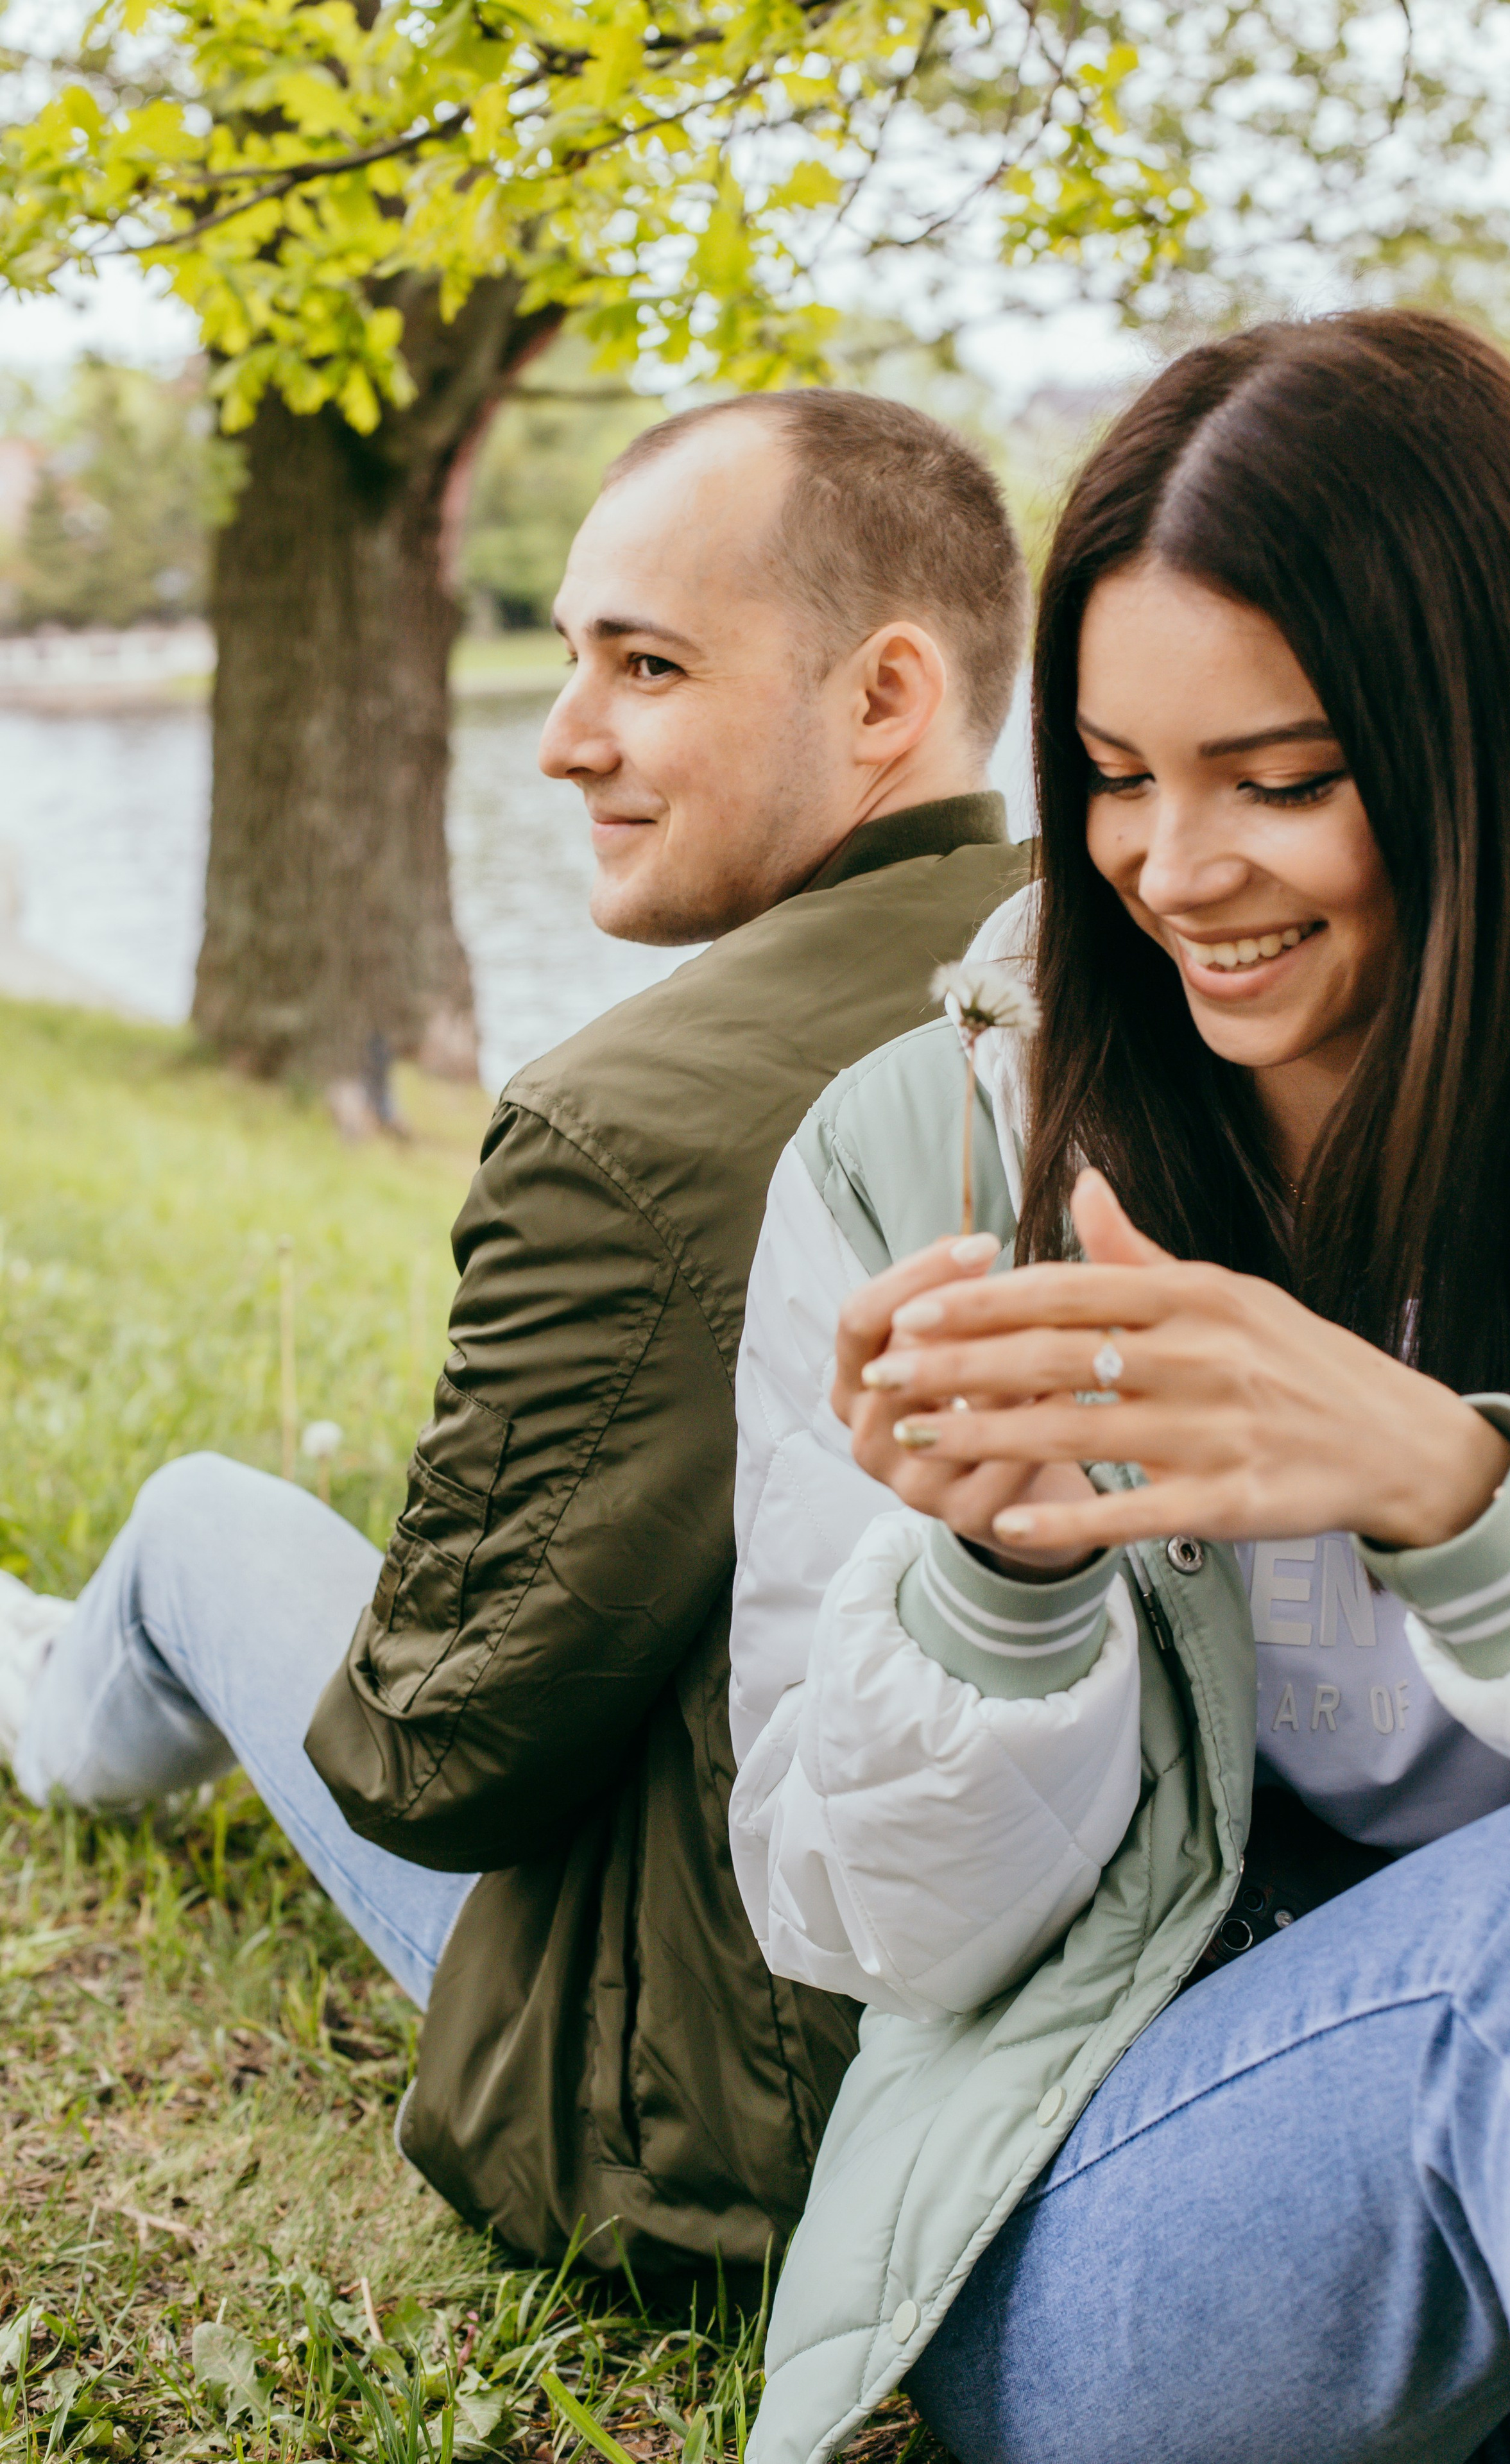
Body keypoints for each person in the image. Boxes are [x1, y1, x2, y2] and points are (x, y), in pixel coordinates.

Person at [727, 311, 1510, 2464]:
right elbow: (854, 1925)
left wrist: (1475, 1511)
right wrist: (998, 1583)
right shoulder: (926, 1149)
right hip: (1135, 2207)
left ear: (1498, 745)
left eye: (1284, 782)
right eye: (1118, 777)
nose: (1171, 873)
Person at [0, 389, 1031, 2284]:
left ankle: (42, 1691)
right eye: (567, 659)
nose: (565, 741)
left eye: (645, 664)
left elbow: (431, 1763)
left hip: (722, 2102)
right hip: (1055, 2016)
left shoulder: (633, 1124)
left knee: (202, 1528)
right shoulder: (1131, 977)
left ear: (885, 698)